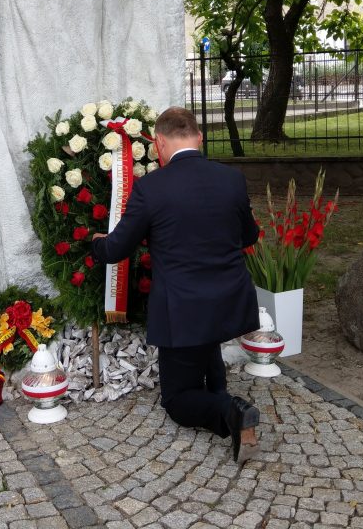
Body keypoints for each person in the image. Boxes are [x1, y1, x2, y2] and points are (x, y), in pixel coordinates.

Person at [91, 107, 262, 462]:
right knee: (207, 343)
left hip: (183, 307)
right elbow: (249, 235)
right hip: (228, 298)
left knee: (177, 400)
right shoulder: (232, 179)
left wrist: (95, 242)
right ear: (199, 137)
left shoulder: (152, 188)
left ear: (159, 143)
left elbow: (117, 248)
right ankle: (219, 393)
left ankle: (232, 412)